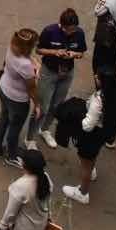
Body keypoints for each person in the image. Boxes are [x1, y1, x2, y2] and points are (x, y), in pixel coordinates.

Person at [60, 70, 116, 203]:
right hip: (102, 133)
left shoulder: (99, 100)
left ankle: (82, 192)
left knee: (85, 163)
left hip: (91, 135)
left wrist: (76, 117)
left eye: (99, 76)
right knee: (92, 156)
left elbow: (87, 125)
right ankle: (91, 172)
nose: (95, 77)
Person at [32, 9, 87, 146]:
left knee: (56, 105)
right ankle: (30, 136)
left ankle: (44, 130)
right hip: (49, 72)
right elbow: (38, 50)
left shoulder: (79, 33)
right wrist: (54, 52)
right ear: (61, 25)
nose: (70, 33)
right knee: (42, 106)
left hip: (67, 73)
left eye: (73, 30)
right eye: (68, 30)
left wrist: (74, 54)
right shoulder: (49, 31)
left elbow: (82, 53)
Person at [0, 28, 41, 163]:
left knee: (3, 117)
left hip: (3, 88)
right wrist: (37, 105)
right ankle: (11, 155)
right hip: (17, 100)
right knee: (15, 127)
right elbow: (31, 88)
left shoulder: (11, 48)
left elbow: (6, 64)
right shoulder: (25, 65)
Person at [0, 149, 54, 230]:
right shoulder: (46, 177)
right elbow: (47, 201)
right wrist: (49, 217)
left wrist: (2, 227)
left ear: (25, 166)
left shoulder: (21, 186)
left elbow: (10, 213)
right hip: (41, 225)